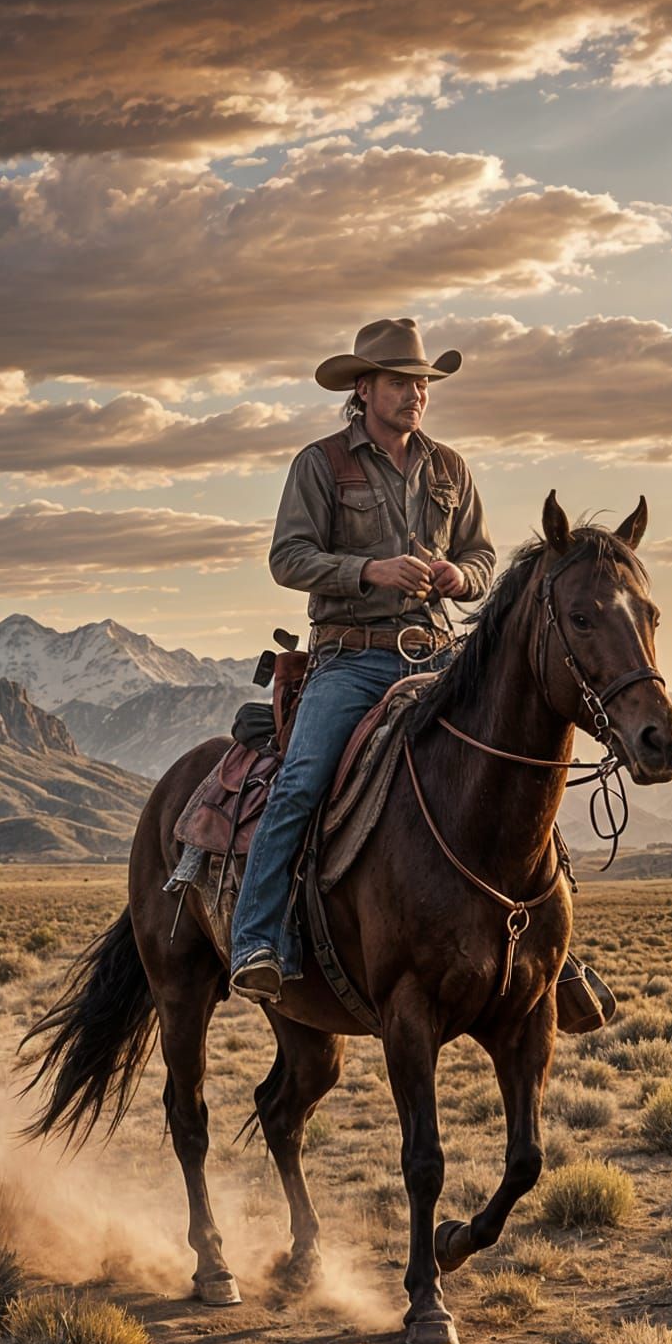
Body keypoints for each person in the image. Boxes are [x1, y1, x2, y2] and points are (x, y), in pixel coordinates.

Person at [229, 318, 492, 1002]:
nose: (416, 394)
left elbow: (483, 556)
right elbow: (288, 558)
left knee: (510, 766)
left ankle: (548, 955)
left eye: (423, 384)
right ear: (365, 388)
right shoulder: (321, 465)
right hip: (353, 660)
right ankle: (257, 937)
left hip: (439, 656)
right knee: (302, 779)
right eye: (403, 382)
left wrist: (460, 579)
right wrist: (370, 570)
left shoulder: (450, 469)